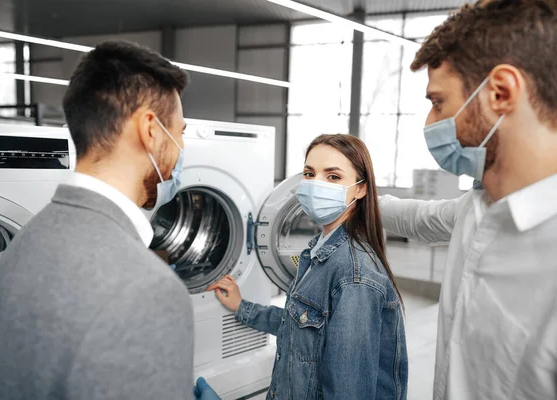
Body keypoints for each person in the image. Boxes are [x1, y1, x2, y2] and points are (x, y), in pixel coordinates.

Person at [0, 41, 201, 399]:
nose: (179, 147)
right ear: (150, 130)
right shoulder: (149, 289)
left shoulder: (22, 243)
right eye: (179, 131)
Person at [379, 1, 557, 399]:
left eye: (438, 102)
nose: (430, 124)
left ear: (499, 92)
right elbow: (419, 219)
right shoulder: (481, 206)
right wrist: (352, 195)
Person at [208, 134, 408, 400]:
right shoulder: (318, 251)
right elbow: (300, 328)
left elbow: (349, 391)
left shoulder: (354, 274)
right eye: (309, 174)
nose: (316, 185)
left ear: (361, 188)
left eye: (333, 177)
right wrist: (242, 307)